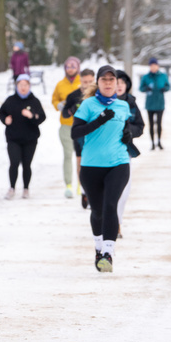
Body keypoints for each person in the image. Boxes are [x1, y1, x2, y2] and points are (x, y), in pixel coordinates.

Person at [71, 65, 132, 273]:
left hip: (118, 163)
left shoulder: (124, 107)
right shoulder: (88, 105)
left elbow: (130, 128)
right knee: (96, 210)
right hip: (91, 166)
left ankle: (108, 253)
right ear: (98, 83)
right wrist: (99, 120)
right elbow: (75, 132)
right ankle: (98, 249)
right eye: (104, 80)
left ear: (117, 84)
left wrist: (129, 134)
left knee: (110, 206)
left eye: (111, 80)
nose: (108, 83)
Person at [0, 73, 46, 199]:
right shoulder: (10, 100)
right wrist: (5, 120)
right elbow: (1, 112)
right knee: (14, 163)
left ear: (29, 86)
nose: (23, 87)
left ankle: (26, 188)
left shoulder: (34, 101)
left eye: (25, 85)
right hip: (13, 138)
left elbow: (42, 117)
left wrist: (31, 116)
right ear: (16, 86)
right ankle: (12, 188)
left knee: (26, 164)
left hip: (30, 139)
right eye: (20, 85)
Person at [115, 69, 145, 237]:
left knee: (124, 189)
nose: (119, 86)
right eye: (116, 82)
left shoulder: (131, 104)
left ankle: (117, 223)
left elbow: (140, 127)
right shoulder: (102, 103)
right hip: (103, 151)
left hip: (124, 150)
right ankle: (107, 221)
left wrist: (127, 131)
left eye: (122, 83)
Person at [62, 68, 96, 210]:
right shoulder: (73, 96)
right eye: (84, 82)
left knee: (96, 162)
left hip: (95, 133)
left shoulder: (98, 95)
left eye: (90, 81)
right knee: (80, 162)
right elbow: (64, 113)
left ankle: (94, 191)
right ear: (80, 81)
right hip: (80, 133)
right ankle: (83, 190)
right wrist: (71, 111)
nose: (87, 85)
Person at [51, 56, 82, 198]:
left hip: (82, 125)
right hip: (66, 125)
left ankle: (81, 185)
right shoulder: (60, 84)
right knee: (68, 155)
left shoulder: (83, 82)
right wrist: (59, 105)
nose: (70, 69)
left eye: (73, 66)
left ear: (78, 68)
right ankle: (68, 184)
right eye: (68, 66)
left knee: (81, 157)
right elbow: (54, 99)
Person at [138, 57, 170, 150]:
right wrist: (146, 88)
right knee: (151, 124)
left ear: (157, 66)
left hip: (160, 103)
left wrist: (165, 89)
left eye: (154, 65)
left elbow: (168, 86)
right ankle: (152, 143)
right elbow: (141, 88)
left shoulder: (163, 76)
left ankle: (159, 141)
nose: (153, 67)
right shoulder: (146, 77)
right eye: (151, 66)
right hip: (150, 104)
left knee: (159, 124)